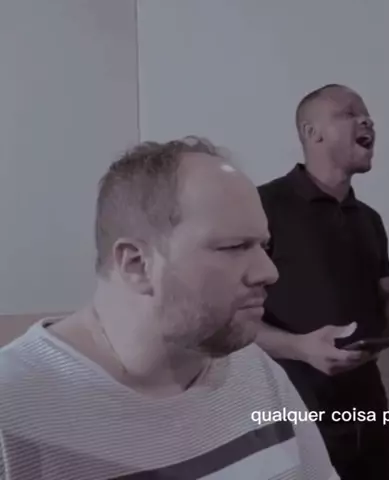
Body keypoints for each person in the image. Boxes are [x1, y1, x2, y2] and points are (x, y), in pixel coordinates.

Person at [0, 137, 338, 479]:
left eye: (264, 246)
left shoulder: (255, 369)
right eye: (235, 247)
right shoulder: (12, 409)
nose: (269, 272)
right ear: (136, 264)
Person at [255, 84, 389, 480]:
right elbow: (229, 322)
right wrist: (300, 348)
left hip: (366, 412)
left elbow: (384, 325)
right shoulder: (262, 207)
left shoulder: (369, 220)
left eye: (367, 114)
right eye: (349, 113)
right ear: (312, 132)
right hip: (288, 412)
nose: (367, 120)